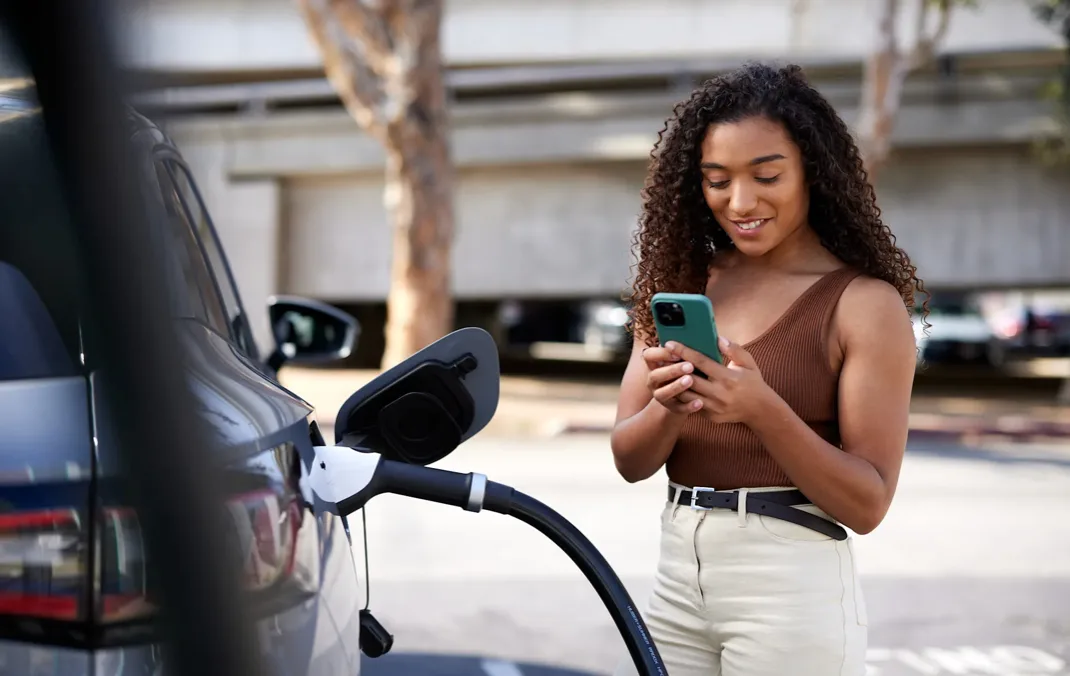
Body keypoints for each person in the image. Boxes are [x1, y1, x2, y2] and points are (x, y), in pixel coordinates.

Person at [611, 62, 925, 676]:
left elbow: (867, 504)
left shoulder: (863, 304)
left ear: (813, 171)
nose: (741, 202)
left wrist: (761, 409)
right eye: (717, 180)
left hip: (790, 585)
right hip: (678, 576)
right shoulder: (683, 286)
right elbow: (629, 460)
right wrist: (670, 408)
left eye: (767, 175)